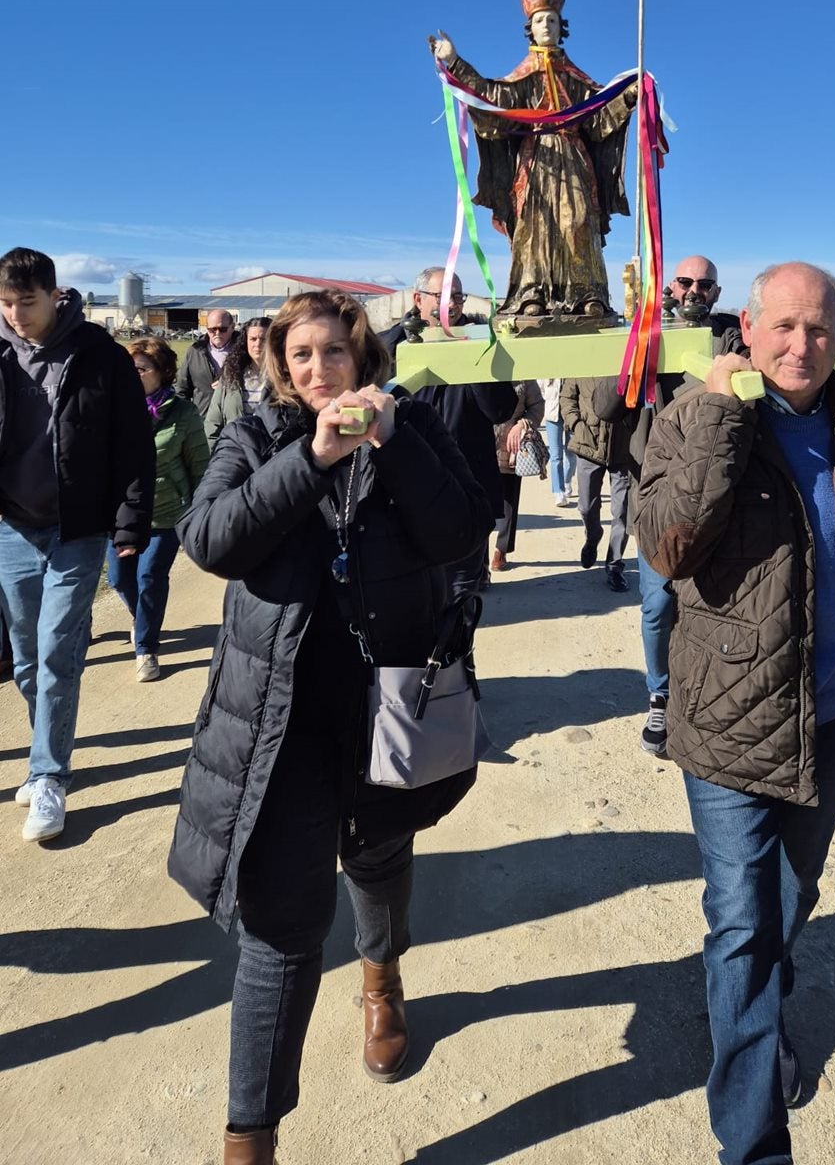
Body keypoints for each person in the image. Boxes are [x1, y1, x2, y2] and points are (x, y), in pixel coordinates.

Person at [168, 288, 493, 1165]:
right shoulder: (257, 436)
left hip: (389, 709)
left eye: (335, 353)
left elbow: (463, 529)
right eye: (302, 355)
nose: (319, 369)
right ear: (280, 363)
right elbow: (210, 540)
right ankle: (252, 1135)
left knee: (381, 862)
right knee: (280, 930)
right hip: (282, 726)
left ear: (364, 358)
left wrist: (390, 445)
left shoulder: (411, 426)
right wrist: (309, 461)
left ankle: (381, 979)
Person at [638, 261, 835, 1165]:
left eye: (817, 329)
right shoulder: (696, 416)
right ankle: (755, 1141)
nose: (798, 346)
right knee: (742, 920)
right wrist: (714, 417)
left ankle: (752, 1021)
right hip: (728, 722)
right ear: (748, 325)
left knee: (788, 898)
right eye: (782, 327)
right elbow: (667, 546)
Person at [0, 246, 154, 842]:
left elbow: (133, 445)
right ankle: (49, 744)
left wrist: (130, 523)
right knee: (24, 658)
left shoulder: (101, 357)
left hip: (79, 527)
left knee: (59, 652)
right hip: (11, 524)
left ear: (56, 294)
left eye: (27, 303)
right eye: (6, 303)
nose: (16, 315)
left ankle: (48, 776)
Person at [431, 0, 637, 317]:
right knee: (536, 224)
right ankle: (532, 293)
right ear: (531, 26)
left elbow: (598, 113)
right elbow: (494, 99)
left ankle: (586, 293)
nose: (546, 26)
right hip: (536, 160)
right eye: (541, 20)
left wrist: (631, 94)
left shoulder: (576, 78)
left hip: (574, 160)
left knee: (576, 221)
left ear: (562, 27)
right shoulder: (523, 76)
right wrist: (455, 61)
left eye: (553, 21)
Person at [598, 254, 744, 757]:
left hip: (718, 494)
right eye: (684, 282)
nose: (693, 291)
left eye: (705, 285)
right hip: (659, 495)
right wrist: (642, 340)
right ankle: (660, 692)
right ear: (671, 286)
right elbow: (605, 406)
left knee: (718, 602)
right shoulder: (648, 333)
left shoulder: (727, 336)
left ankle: (712, 697)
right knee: (659, 604)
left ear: (717, 293)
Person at [380, 269, 517, 600]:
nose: (453, 304)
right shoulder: (391, 344)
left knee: (459, 597)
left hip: (465, 484)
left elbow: (500, 409)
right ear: (418, 299)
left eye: (458, 296)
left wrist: (473, 359)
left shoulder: (478, 340)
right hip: (406, 486)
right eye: (444, 296)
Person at [106, 336, 209, 682]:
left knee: (149, 577)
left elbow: (200, 466)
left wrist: (199, 510)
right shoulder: (112, 408)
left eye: (141, 369)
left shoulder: (182, 413)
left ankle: (146, 648)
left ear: (162, 372)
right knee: (120, 580)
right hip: (119, 515)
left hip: (166, 514)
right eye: (129, 368)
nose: (133, 375)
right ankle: (142, 621)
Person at [561, 376, 635, 592]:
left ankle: (614, 566)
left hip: (623, 449)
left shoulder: (630, 362)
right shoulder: (585, 360)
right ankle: (593, 536)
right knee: (586, 507)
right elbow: (567, 396)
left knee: (621, 511)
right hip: (588, 446)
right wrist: (576, 424)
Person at [491, 381, 545, 573]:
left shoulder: (524, 377)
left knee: (509, 502)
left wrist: (522, 424)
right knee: (481, 503)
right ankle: (478, 562)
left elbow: (537, 406)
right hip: (483, 446)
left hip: (511, 449)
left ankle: (501, 549)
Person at [204, 317, 272, 447]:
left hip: (271, 455)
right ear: (245, 341)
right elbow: (213, 421)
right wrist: (215, 454)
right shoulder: (231, 374)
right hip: (234, 451)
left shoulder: (284, 377)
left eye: (263, 339)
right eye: (253, 339)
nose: (257, 344)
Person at [177, 309, 238, 416]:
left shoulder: (244, 350)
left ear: (232, 327)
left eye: (222, 329)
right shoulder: (195, 351)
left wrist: (232, 384)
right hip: (203, 419)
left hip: (234, 420)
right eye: (212, 329)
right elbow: (182, 388)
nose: (217, 333)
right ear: (207, 329)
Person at [537, 377, 576, 507]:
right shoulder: (547, 372)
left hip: (571, 415)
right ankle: (558, 492)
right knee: (556, 455)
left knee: (571, 453)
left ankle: (566, 480)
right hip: (552, 416)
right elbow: (540, 389)